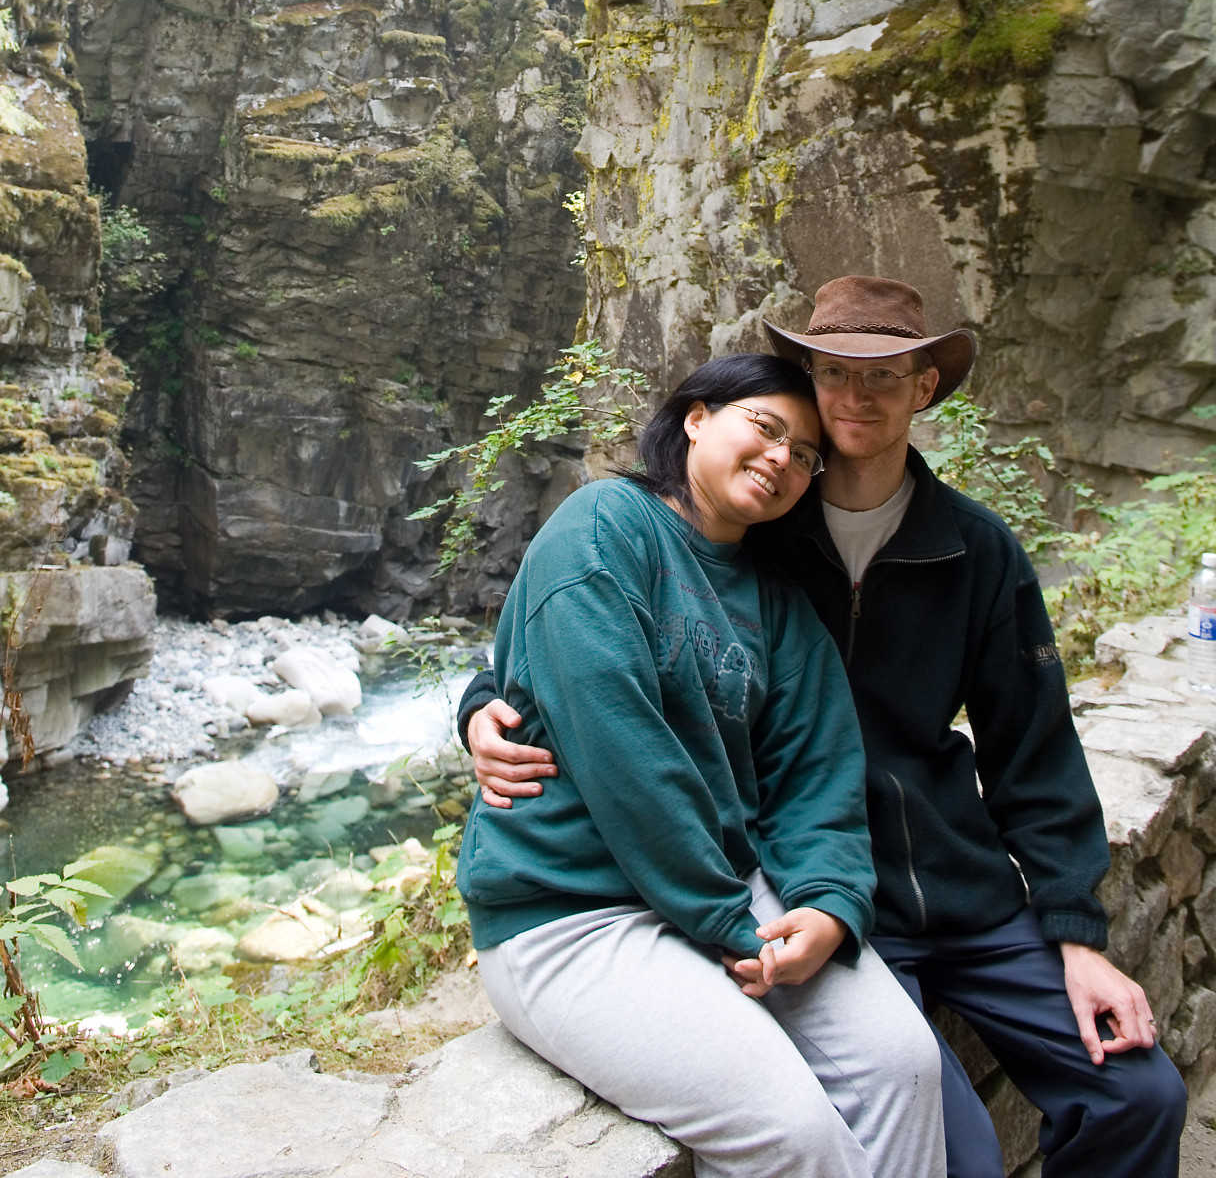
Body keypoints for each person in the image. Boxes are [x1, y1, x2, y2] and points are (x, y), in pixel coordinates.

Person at [459, 277, 1189, 1178]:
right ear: (704, 416)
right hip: (771, 879)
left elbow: (1031, 748)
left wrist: (1075, 928)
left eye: (884, 374)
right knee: (942, 1145)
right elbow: (579, 649)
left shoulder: (968, 549)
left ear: (925, 386)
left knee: (1136, 1093)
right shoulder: (756, 529)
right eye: (833, 373)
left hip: (931, 882)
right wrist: (483, 700)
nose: (854, 396)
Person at [457, 350, 945, 1178]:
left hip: (729, 890)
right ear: (695, 418)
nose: (782, 458)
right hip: (571, 907)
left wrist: (828, 905)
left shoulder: (778, 602)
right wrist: (729, 925)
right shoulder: (604, 525)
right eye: (765, 427)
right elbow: (624, 755)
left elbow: (817, 776)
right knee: (792, 1129)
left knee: (905, 1064)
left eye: (805, 454)